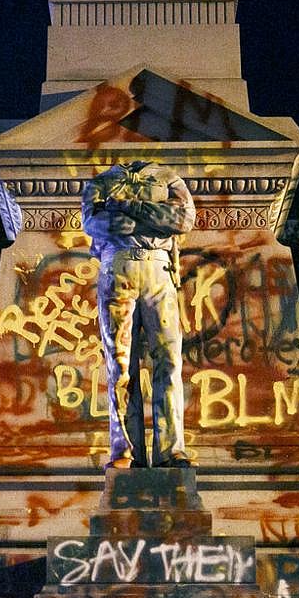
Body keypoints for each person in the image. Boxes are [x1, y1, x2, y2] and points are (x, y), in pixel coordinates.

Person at [81, 161, 196, 469]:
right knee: (119, 364)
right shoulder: (102, 181)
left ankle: (171, 450)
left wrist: (127, 206)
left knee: (169, 360)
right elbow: (95, 223)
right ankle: (124, 450)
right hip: (117, 268)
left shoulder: (168, 176)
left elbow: (183, 219)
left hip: (160, 271)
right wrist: (153, 217)